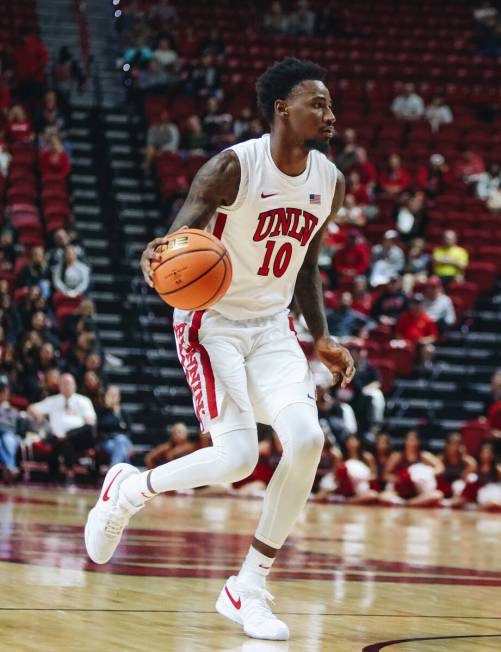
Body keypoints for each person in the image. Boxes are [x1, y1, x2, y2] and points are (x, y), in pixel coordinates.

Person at [85, 57, 355, 642]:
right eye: (319, 104)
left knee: (307, 440)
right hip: (212, 322)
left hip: (273, 326)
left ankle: (248, 586)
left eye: (330, 105)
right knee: (236, 461)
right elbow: (178, 242)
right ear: (283, 109)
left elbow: (306, 262)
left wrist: (322, 336)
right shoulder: (233, 168)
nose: (331, 115)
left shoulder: (328, 181)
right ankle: (127, 490)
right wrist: (158, 260)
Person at [28, 373, 96, 480]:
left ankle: (66, 471)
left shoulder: (83, 401)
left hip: (78, 437)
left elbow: (90, 423)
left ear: (75, 385)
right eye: (64, 384)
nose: (67, 386)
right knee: (59, 441)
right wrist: (40, 417)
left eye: (69, 383)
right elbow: (31, 408)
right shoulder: (53, 400)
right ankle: (66, 472)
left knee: (69, 439)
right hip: (57, 437)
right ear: (59, 386)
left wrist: (67, 434)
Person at [381, 430, 444, 506]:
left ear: (418, 442)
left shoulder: (423, 455)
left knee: (437, 495)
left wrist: (426, 473)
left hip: (419, 491)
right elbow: (385, 475)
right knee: (383, 496)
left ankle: (409, 503)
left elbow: (440, 468)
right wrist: (399, 478)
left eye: (414, 440)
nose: (412, 443)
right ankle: (403, 502)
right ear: (405, 441)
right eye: (410, 440)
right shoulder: (397, 456)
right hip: (400, 490)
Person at [97, 386, 134, 466]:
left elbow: (129, 431)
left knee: (121, 440)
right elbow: (101, 428)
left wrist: (116, 415)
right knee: (121, 447)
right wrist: (118, 425)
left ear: (119, 397)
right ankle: (128, 472)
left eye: (114, 395)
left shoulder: (124, 413)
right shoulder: (102, 412)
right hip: (108, 442)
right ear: (106, 396)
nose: (112, 397)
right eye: (110, 395)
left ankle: (114, 468)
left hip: (124, 441)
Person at [436, 433, 477, 500]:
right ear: (447, 445)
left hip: (458, 486)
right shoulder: (441, 458)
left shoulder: (465, 460)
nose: (454, 447)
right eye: (452, 444)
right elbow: (437, 472)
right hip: (445, 486)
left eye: (457, 444)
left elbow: (474, 466)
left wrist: (464, 455)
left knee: (470, 479)